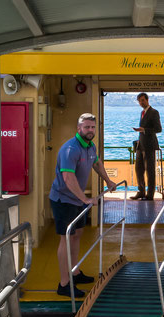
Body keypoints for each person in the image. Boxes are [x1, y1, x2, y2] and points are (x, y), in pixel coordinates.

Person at [50, 113, 117, 298]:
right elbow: (68, 178)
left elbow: (96, 163)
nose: (90, 130)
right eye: (87, 127)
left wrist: (108, 181)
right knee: (66, 238)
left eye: (93, 127)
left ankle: (74, 272)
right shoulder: (70, 149)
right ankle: (64, 284)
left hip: (77, 200)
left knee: (77, 235)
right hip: (63, 200)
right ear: (78, 128)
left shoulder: (90, 146)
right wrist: (85, 199)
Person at [131, 92, 162, 200]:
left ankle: (150, 194)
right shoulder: (142, 113)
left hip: (149, 145)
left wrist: (144, 130)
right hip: (141, 145)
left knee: (150, 170)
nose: (141, 103)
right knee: (138, 169)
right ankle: (141, 191)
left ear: (147, 100)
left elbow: (158, 129)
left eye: (142, 100)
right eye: (139, 101)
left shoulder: (154, 112)